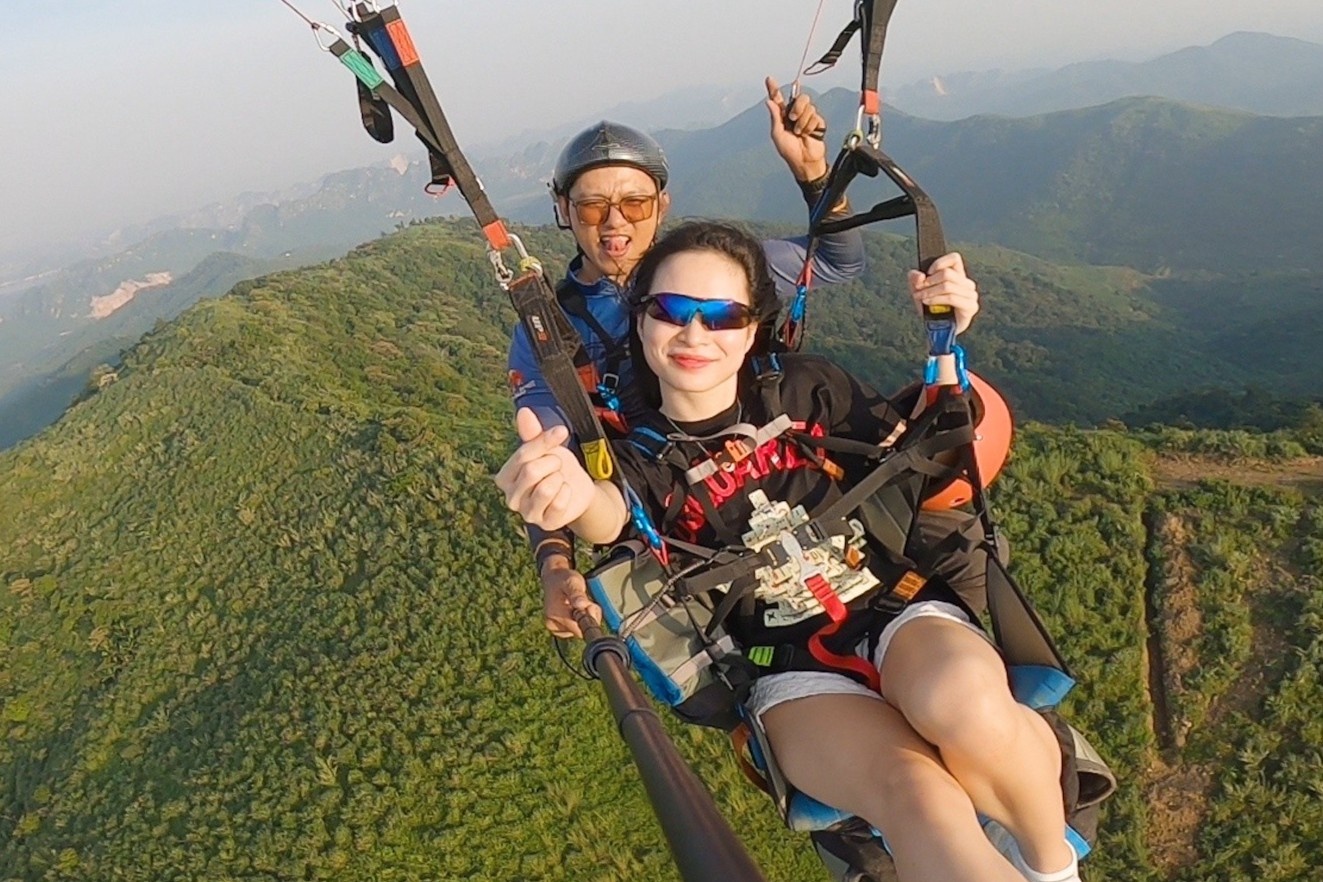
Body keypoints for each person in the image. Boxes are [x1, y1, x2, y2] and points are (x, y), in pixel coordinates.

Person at [496, 222, 1081, 882]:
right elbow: (611, 517)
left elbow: (925, 453)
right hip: (783, 666)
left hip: (895, 605)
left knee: (965, 705)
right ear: (639, 320)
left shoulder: (806, 389)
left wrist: (945, 347)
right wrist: (572, 497)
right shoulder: (634, 459)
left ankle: (1050, 865)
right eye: (669, 311)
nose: (693, 335)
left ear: (750, 330)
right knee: (917, 795)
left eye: (721, 317)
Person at [507, 78, 868, 640]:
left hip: (782, 483)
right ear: (563, 210)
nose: (615, 222)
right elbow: (552, 455)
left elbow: (841, 259)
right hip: (672, 519)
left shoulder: (717, 272)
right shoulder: (550, 331)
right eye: (593, 205)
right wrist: (556, 565)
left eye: (634, 202)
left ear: (662, 204)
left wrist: (814, 173)